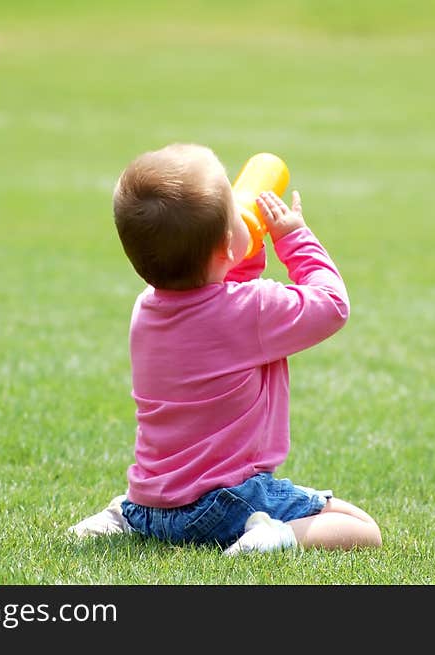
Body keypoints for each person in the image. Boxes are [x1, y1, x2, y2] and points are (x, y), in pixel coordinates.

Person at [68, 143, 381, 555]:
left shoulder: (146, 309)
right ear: (226, 246)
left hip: (152, 503)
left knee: (152, 503)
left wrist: (239, 249)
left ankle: (123, 519)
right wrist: (294, 237)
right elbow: (332, 305)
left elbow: (219, 297)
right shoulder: (249, 312)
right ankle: (274, 537)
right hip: (224, 504)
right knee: (361, 529)